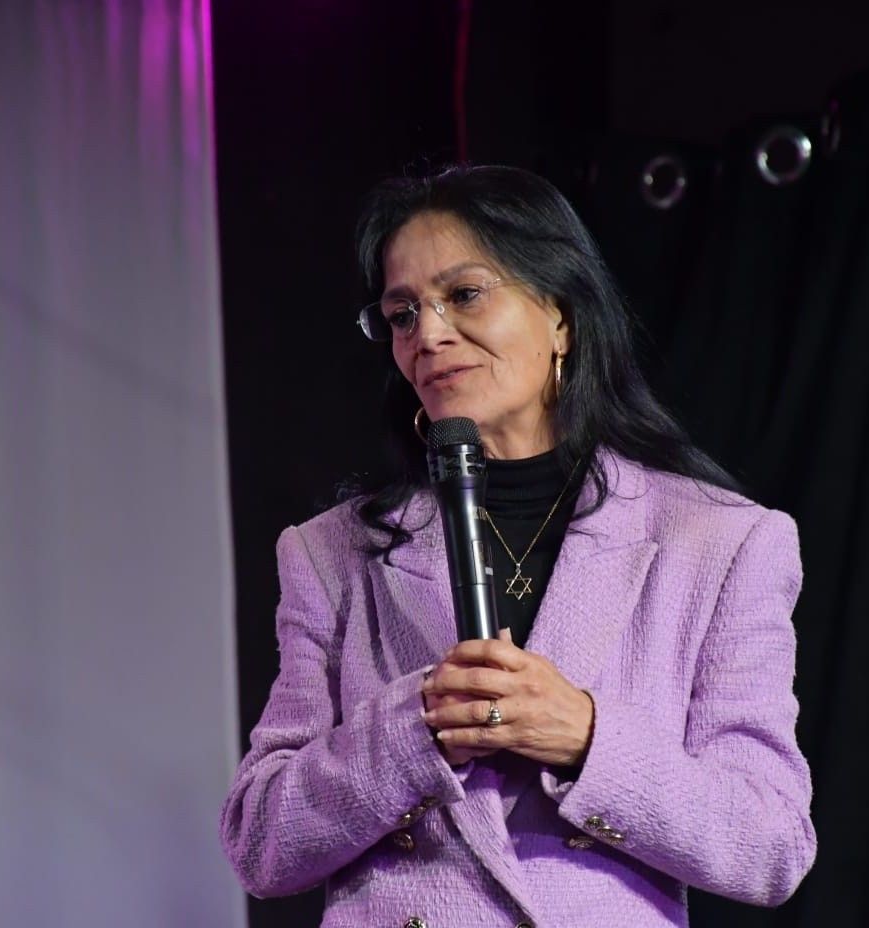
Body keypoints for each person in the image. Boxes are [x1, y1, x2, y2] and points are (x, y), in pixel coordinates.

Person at [219, 165, 816, 927]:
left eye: (465, 294)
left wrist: (586, 737)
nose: (429, 335)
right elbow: (261, 846)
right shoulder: (331, 553)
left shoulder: (720, 541)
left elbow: (769, 846)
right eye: (402, 314)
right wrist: (413, 729)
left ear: (561, 314)